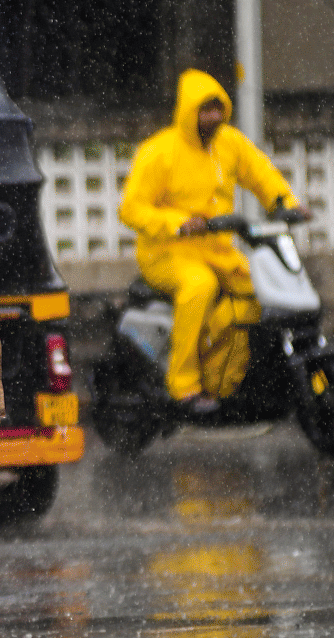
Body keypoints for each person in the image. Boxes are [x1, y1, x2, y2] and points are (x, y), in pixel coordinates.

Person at [120, 68, 308, 415]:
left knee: (260, 294)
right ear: (189, 111)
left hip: (217, 250)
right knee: (200, 287)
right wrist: (178, 224)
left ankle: (224, 382)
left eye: (218, 108)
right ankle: (183, 386)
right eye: (205, 109)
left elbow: (261, 173)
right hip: (166, 252)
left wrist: (285, 204)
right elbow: (131, 209)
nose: (214, 117)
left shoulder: (229, 143)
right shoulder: (159, 151)